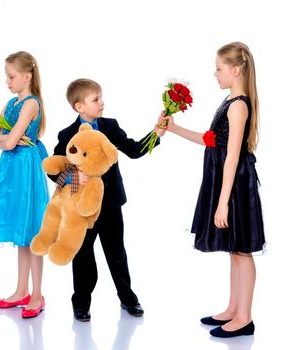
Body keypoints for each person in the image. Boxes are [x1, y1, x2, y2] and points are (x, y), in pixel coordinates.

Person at [158, 42, 265, 338]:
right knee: (234, 250)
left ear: (236, 70)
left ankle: (244, 317)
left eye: (219, 68)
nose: (215, 74)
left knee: (242, 250)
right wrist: (174, 128)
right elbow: (212, 140)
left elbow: (232, 156)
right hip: (226, 183)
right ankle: (233, 309)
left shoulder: (239, 105)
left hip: (235, 187)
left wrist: (223, 203)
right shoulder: (229, 102)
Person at [49, 78, 161, 322]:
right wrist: (73, 175)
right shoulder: (67, 134)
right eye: (96, 99)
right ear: (80, 107)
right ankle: (80, 303)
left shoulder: (110, 126)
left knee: (117, 254)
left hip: (110, 204)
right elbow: (54, 171)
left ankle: (128, 299)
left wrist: (156, 134)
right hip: (82, 209)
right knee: (83, 256)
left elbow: (133, 150)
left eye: (101, 97)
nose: (102, 103)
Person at [0, 51, 49, 318]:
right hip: (10, 169)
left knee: (32, 231)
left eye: (11, 76)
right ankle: (21, 291)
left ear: (26, 76)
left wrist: (4, 139)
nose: (7, 81)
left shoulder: (30, 104)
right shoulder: (10, 104)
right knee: (21, 234)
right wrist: (5, 138)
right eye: (6, 77)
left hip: (25, 169)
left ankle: (37, 294)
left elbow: (5, 143)